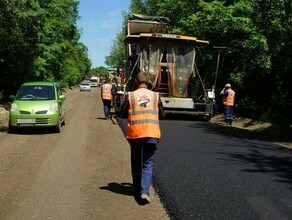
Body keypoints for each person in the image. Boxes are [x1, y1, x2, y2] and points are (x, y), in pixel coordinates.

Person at [118, 71, 165, 204]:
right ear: (149, 82)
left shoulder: (131, 95)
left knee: (136, 162)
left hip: (136, 135)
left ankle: (136, 189)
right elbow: (162, 115)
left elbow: (122, 113)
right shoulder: (156, 96)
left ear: (137, 82)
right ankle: (144, 192)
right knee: (148, 163)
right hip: (151, 134)